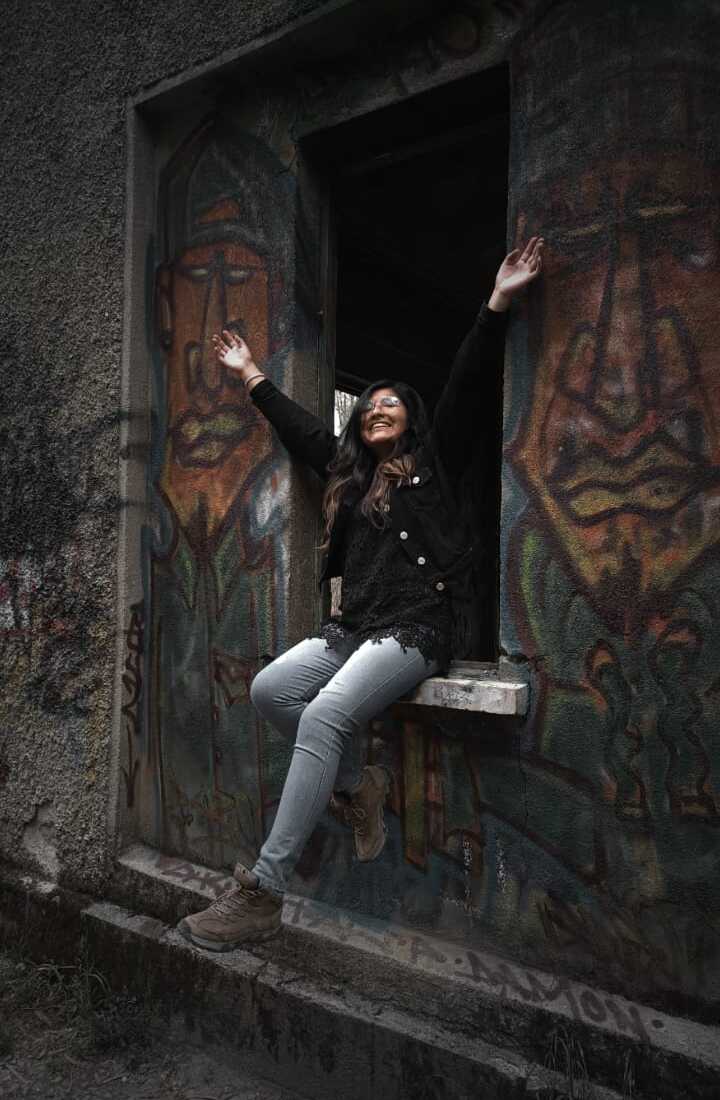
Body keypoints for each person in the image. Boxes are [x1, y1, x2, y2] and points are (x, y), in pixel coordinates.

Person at [179, 236, 544, 951]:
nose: (377, 409)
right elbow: (302, 429)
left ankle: (263, 891)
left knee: (321, 717)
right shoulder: (348, 474)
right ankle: (358, 789)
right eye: (369, 405)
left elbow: (468, 384)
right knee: (269, 690)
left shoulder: (434, 467)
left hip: (415, 629)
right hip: (355, 628)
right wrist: (252, 373)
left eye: (391, 404)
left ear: (409, 416)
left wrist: (497, 302)